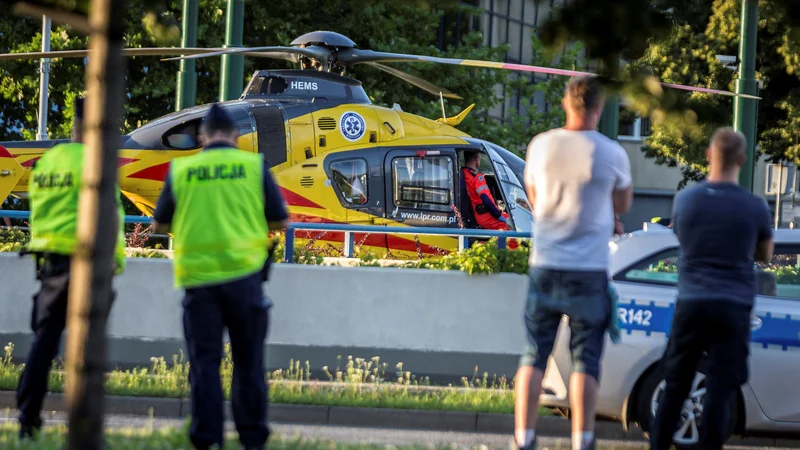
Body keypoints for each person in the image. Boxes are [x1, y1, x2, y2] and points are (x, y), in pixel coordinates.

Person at [152, 103, 289, 450]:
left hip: (199, 284)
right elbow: (279, 220)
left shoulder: (181, 171)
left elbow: (160, 224)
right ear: (236, 136)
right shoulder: (254, 166)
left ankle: (206, 440)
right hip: (246, 281)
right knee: (248, 366)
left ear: (201, 137)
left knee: (205, 366)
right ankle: (252, 439)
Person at [516, 75, 633, 450]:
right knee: (586, 360)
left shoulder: (541, 146)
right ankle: (582, 441)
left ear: (566, 104)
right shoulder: (612, 152)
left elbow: (534, 198)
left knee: (535, 354)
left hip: (546, 263)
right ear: (599, 109)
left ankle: (524, 438)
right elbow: (624, 203)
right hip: (590, 269)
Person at [649, 128, 773, 450]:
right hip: (733, 305)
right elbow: (766, 254)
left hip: (691, 302)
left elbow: (682, 240)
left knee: (675, 383)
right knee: (721, 387)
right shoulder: (755, 206)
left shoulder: (686, 200)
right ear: (742, 160)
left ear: (708, 155)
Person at [16, 97, 127, 439]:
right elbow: (110, 216)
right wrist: (115, 263)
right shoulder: (98, 163)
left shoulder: (49, 162)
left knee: (43, 343)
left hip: (51, 265)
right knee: (87, 352)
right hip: (90, 264)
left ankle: (27, 418)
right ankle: (83, 426)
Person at [460, 151, 518, 249]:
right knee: (511, 226)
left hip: (478, 215)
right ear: (476, 158)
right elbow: (486, 200)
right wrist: (498, 215)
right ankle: (508, 257)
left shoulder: (463, 173)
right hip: (486, 215)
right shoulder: (477, 177)